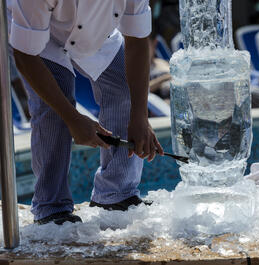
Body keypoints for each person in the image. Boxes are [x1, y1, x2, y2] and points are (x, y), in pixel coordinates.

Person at [8, 0, 164, 225]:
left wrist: (140, 117)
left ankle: (115, 194)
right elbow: (25, 56)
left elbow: (138, 41)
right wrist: (73, 118)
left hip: (99, 35)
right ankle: (51, 208)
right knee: (53, 112)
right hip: (39, 37)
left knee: (123, 86)